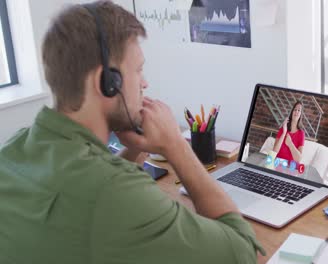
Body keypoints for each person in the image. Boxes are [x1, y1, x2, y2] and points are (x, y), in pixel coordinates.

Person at [0, 1, 263, 263]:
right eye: (138, 70)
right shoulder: (115, 194)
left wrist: (137, 146)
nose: (145, 82)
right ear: (107, 82)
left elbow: (90, 187)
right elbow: (245, 252)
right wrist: (175, 146)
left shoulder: (13, 150)